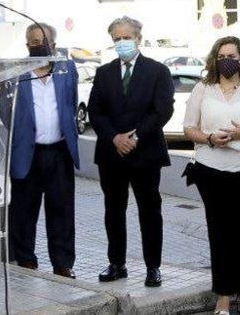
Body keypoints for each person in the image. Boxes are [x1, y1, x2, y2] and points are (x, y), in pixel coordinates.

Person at [182, 36, 240, 315]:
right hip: (211, 171)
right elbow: (189, 128)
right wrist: (209, 138)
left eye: (231, 55)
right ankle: (223, 295)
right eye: (221, 55)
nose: (226, 60)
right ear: (214, 59)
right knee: (219, 233)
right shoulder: (203, 89)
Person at [87, 16, 174, 287]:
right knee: (113, 210)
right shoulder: (104, 73)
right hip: (111, 154)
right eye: (117, 39)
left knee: (149, 211)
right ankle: (117, 263)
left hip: (145, 153)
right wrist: (114, 137)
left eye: (127, 37)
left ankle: (153, 267)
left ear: (138, 38)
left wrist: (135, 136)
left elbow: (162, 110)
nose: (122, 43)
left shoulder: (158, 71)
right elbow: (95, 111)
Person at [0, 22, 81, 278]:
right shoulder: (15, 72)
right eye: (33, 41)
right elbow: (5, 111)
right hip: (28, 151)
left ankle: (63, 264)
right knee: (24, 209)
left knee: (62, 210)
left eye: (43, 40)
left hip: (60, 151)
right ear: (27, 45)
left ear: (53, 45)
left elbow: (71, 102)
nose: (39, 44)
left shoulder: (67, 69)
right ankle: (25, 259)